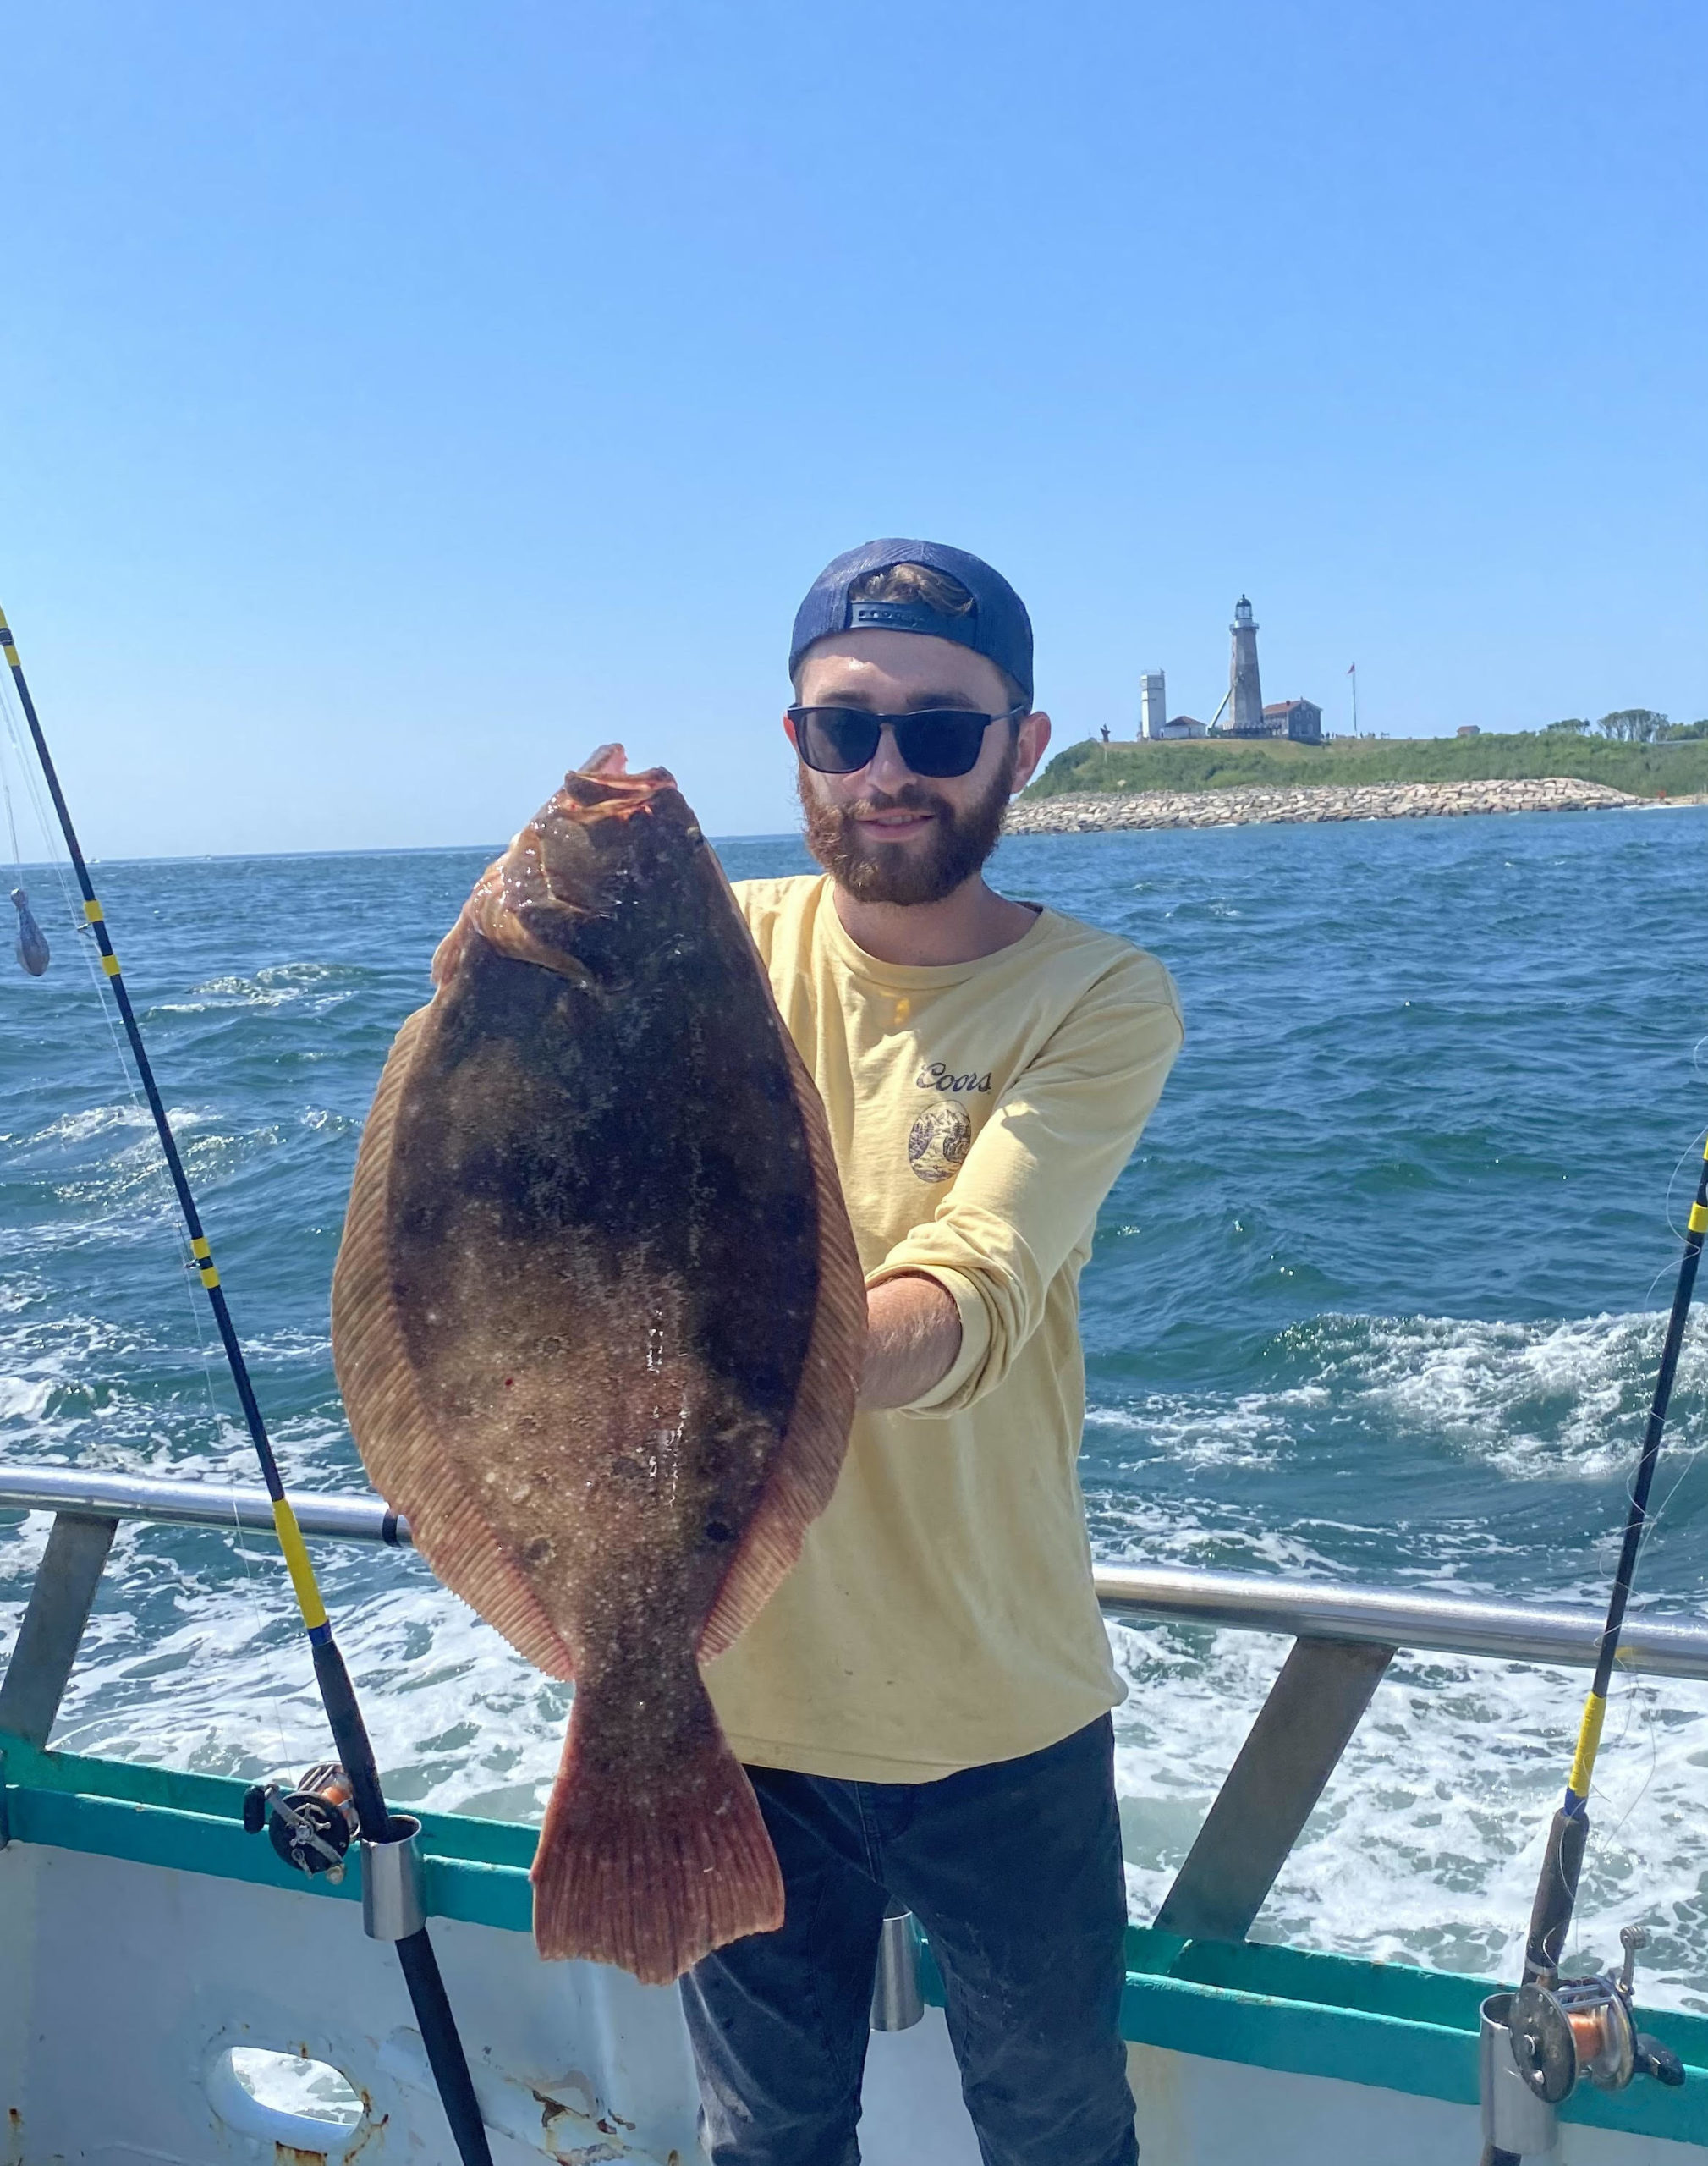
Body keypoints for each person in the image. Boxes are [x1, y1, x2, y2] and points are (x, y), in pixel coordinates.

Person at [684, 539, 1184, 2166]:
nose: (887, 770)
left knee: (1055, 2130)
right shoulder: (701, 950)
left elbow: (978, 1286)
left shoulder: (1097, 997)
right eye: (846, 728)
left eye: (943, 731)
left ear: (1024, 748)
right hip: (722, 1712)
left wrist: (745, 1373)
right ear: (795, 744)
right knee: (761, 2139)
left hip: (1000, 1713)